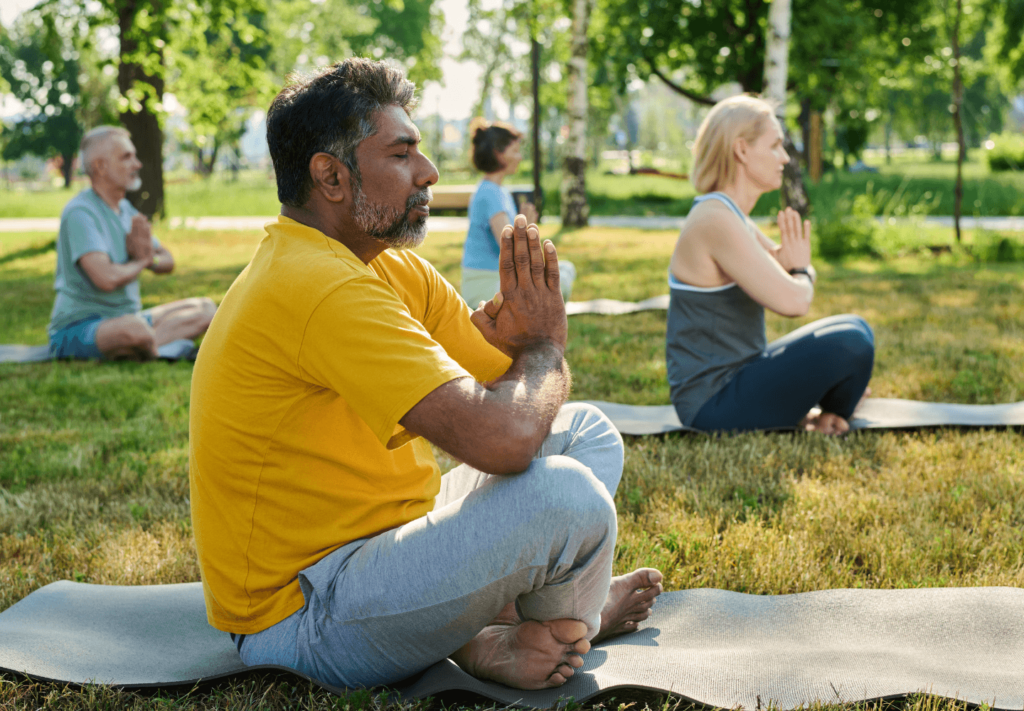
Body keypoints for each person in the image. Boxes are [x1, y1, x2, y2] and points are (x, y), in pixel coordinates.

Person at [189, 58, 662, 693]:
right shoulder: (316, 285)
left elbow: (509, 391)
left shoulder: (385, 266)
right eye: (402, 153)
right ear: (330, 176)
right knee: (566, 496)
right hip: (305, 614)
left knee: (585, 432)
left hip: (390, 541)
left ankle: (487, 628)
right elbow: (505, 438)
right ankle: (568, 622)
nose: (430, 172)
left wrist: (522, 349)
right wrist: (546, 348)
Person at [666, 95, 874, 435]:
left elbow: (783, 272)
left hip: (739, 378)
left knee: (857, 328)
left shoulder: (730, 216)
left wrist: (796, 270)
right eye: (776, 145)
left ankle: (825, 412)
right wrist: (801, 270)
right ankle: (830, 413)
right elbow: (794, 300)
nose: (785, 157)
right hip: (711, 404)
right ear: (742, 150)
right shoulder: (715, 219)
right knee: (852, 341)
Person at [47, 126, 217, 360]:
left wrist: (150, 259)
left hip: (130, 317)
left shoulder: (126, 210)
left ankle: (148, 346)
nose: (137, 164)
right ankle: (158, 345)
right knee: (133, 329)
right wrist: (142, 261)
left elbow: (167, 261)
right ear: (100, 167)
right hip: (79, 328)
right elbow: (105, 278)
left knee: (206, 308)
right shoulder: (81, 213)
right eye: (126, 157)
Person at [461, 118, 575, 308]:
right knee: (558, 281)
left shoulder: (498, 190)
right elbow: (511, 251)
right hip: (483, 285)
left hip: (494, 280)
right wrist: (527, 228)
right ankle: (542, 317)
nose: (520, 157)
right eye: (515, 151)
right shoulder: (491, 193)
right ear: (499, 154)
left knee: (565, 269)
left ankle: (539, 312)